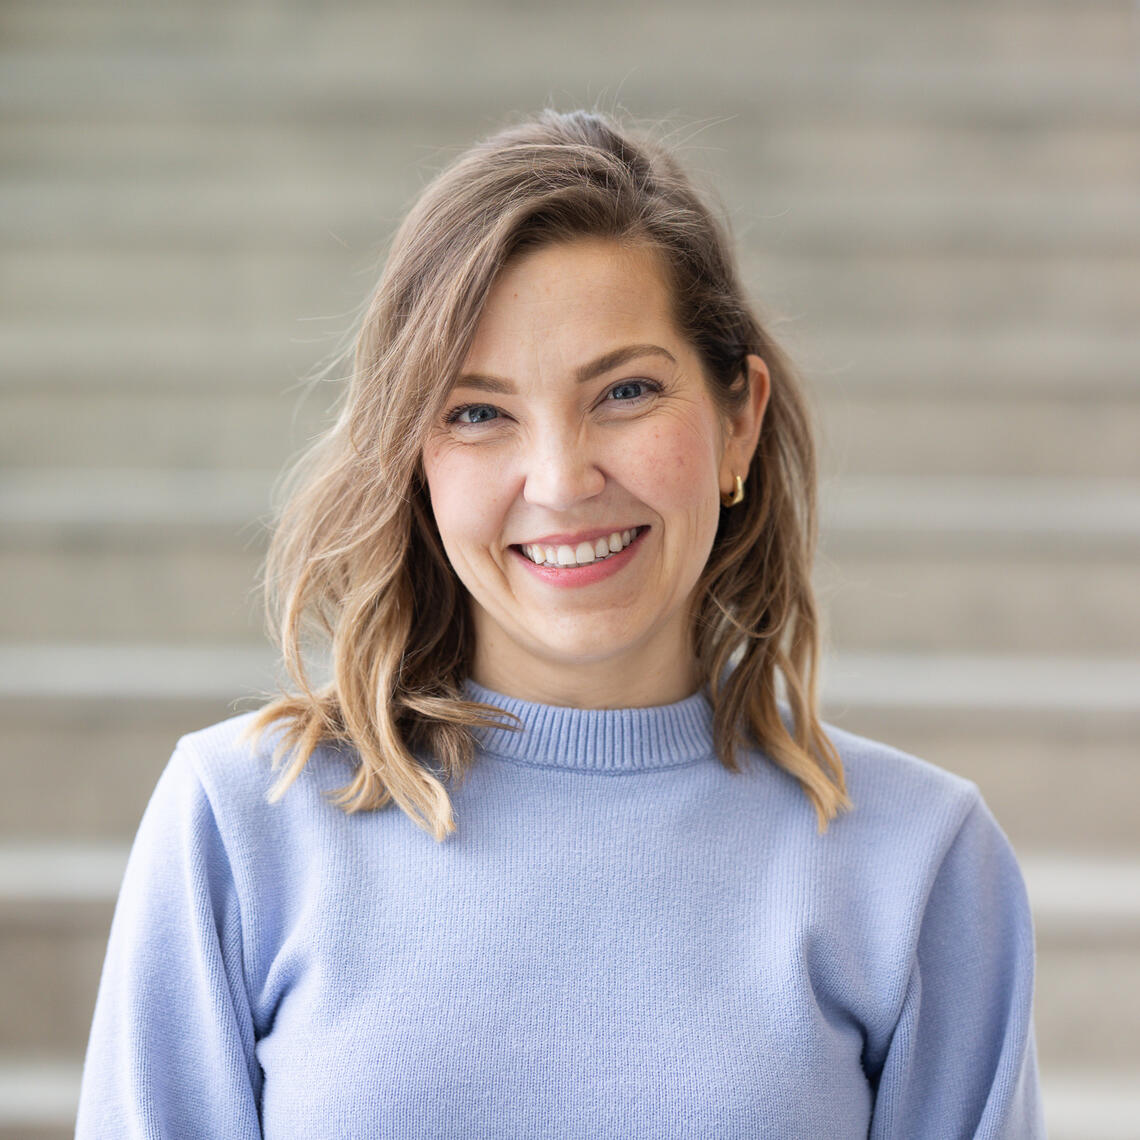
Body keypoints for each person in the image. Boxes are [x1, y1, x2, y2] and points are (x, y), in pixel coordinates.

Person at [77, 109, 1044, 1138]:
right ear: (415, 460)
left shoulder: (925, 864)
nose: (560, 479)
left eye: (625, 391)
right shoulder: (239, 822)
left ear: (738, 421)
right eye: (477, 412)